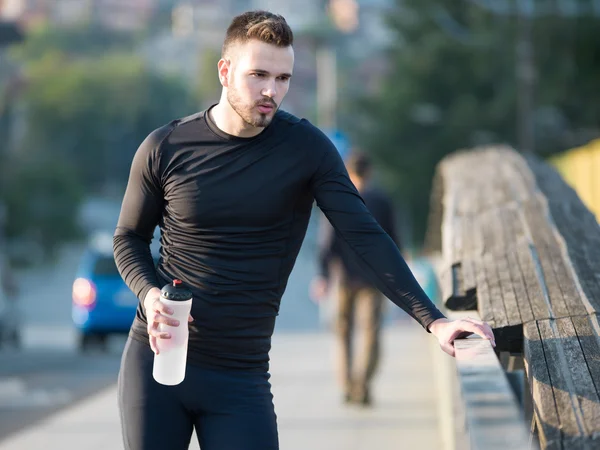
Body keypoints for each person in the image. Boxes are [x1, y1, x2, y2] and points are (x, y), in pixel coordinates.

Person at [113, 10, 495, 450]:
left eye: (283, 78)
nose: (271, 91)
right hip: (157, 362)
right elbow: (129, 238)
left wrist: (435, 321)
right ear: (225, 70)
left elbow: (365, 235)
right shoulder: (165, 146)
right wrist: (149, 293)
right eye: (258, 75)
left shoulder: (307, 150)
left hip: (241, 375)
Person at [311, 151, 401, 406]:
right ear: (369, 172)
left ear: (348, 172)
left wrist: (323, 276)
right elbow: (394, 240)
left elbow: (327, 243)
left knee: (342, 334)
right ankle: (363, 383)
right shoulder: (383, 201)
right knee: (371, 333)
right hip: (375, 279)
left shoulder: (339, 198)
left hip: (343, 279)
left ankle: (347, 384)